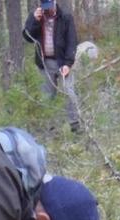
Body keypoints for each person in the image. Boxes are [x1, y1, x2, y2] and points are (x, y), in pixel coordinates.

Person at [24, 0, 81, 133]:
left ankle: (75, 125)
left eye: (49, 7)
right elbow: (27, 37)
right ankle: (50, 128)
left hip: (62, 62)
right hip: (45, 63)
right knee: (47, 96)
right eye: (45, 7)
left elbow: (72, 42)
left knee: (68, 91)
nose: (47, 10)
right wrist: (34, 20)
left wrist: (68, 63)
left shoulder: (66, 17)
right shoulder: (36, 16)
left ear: (55, 3)